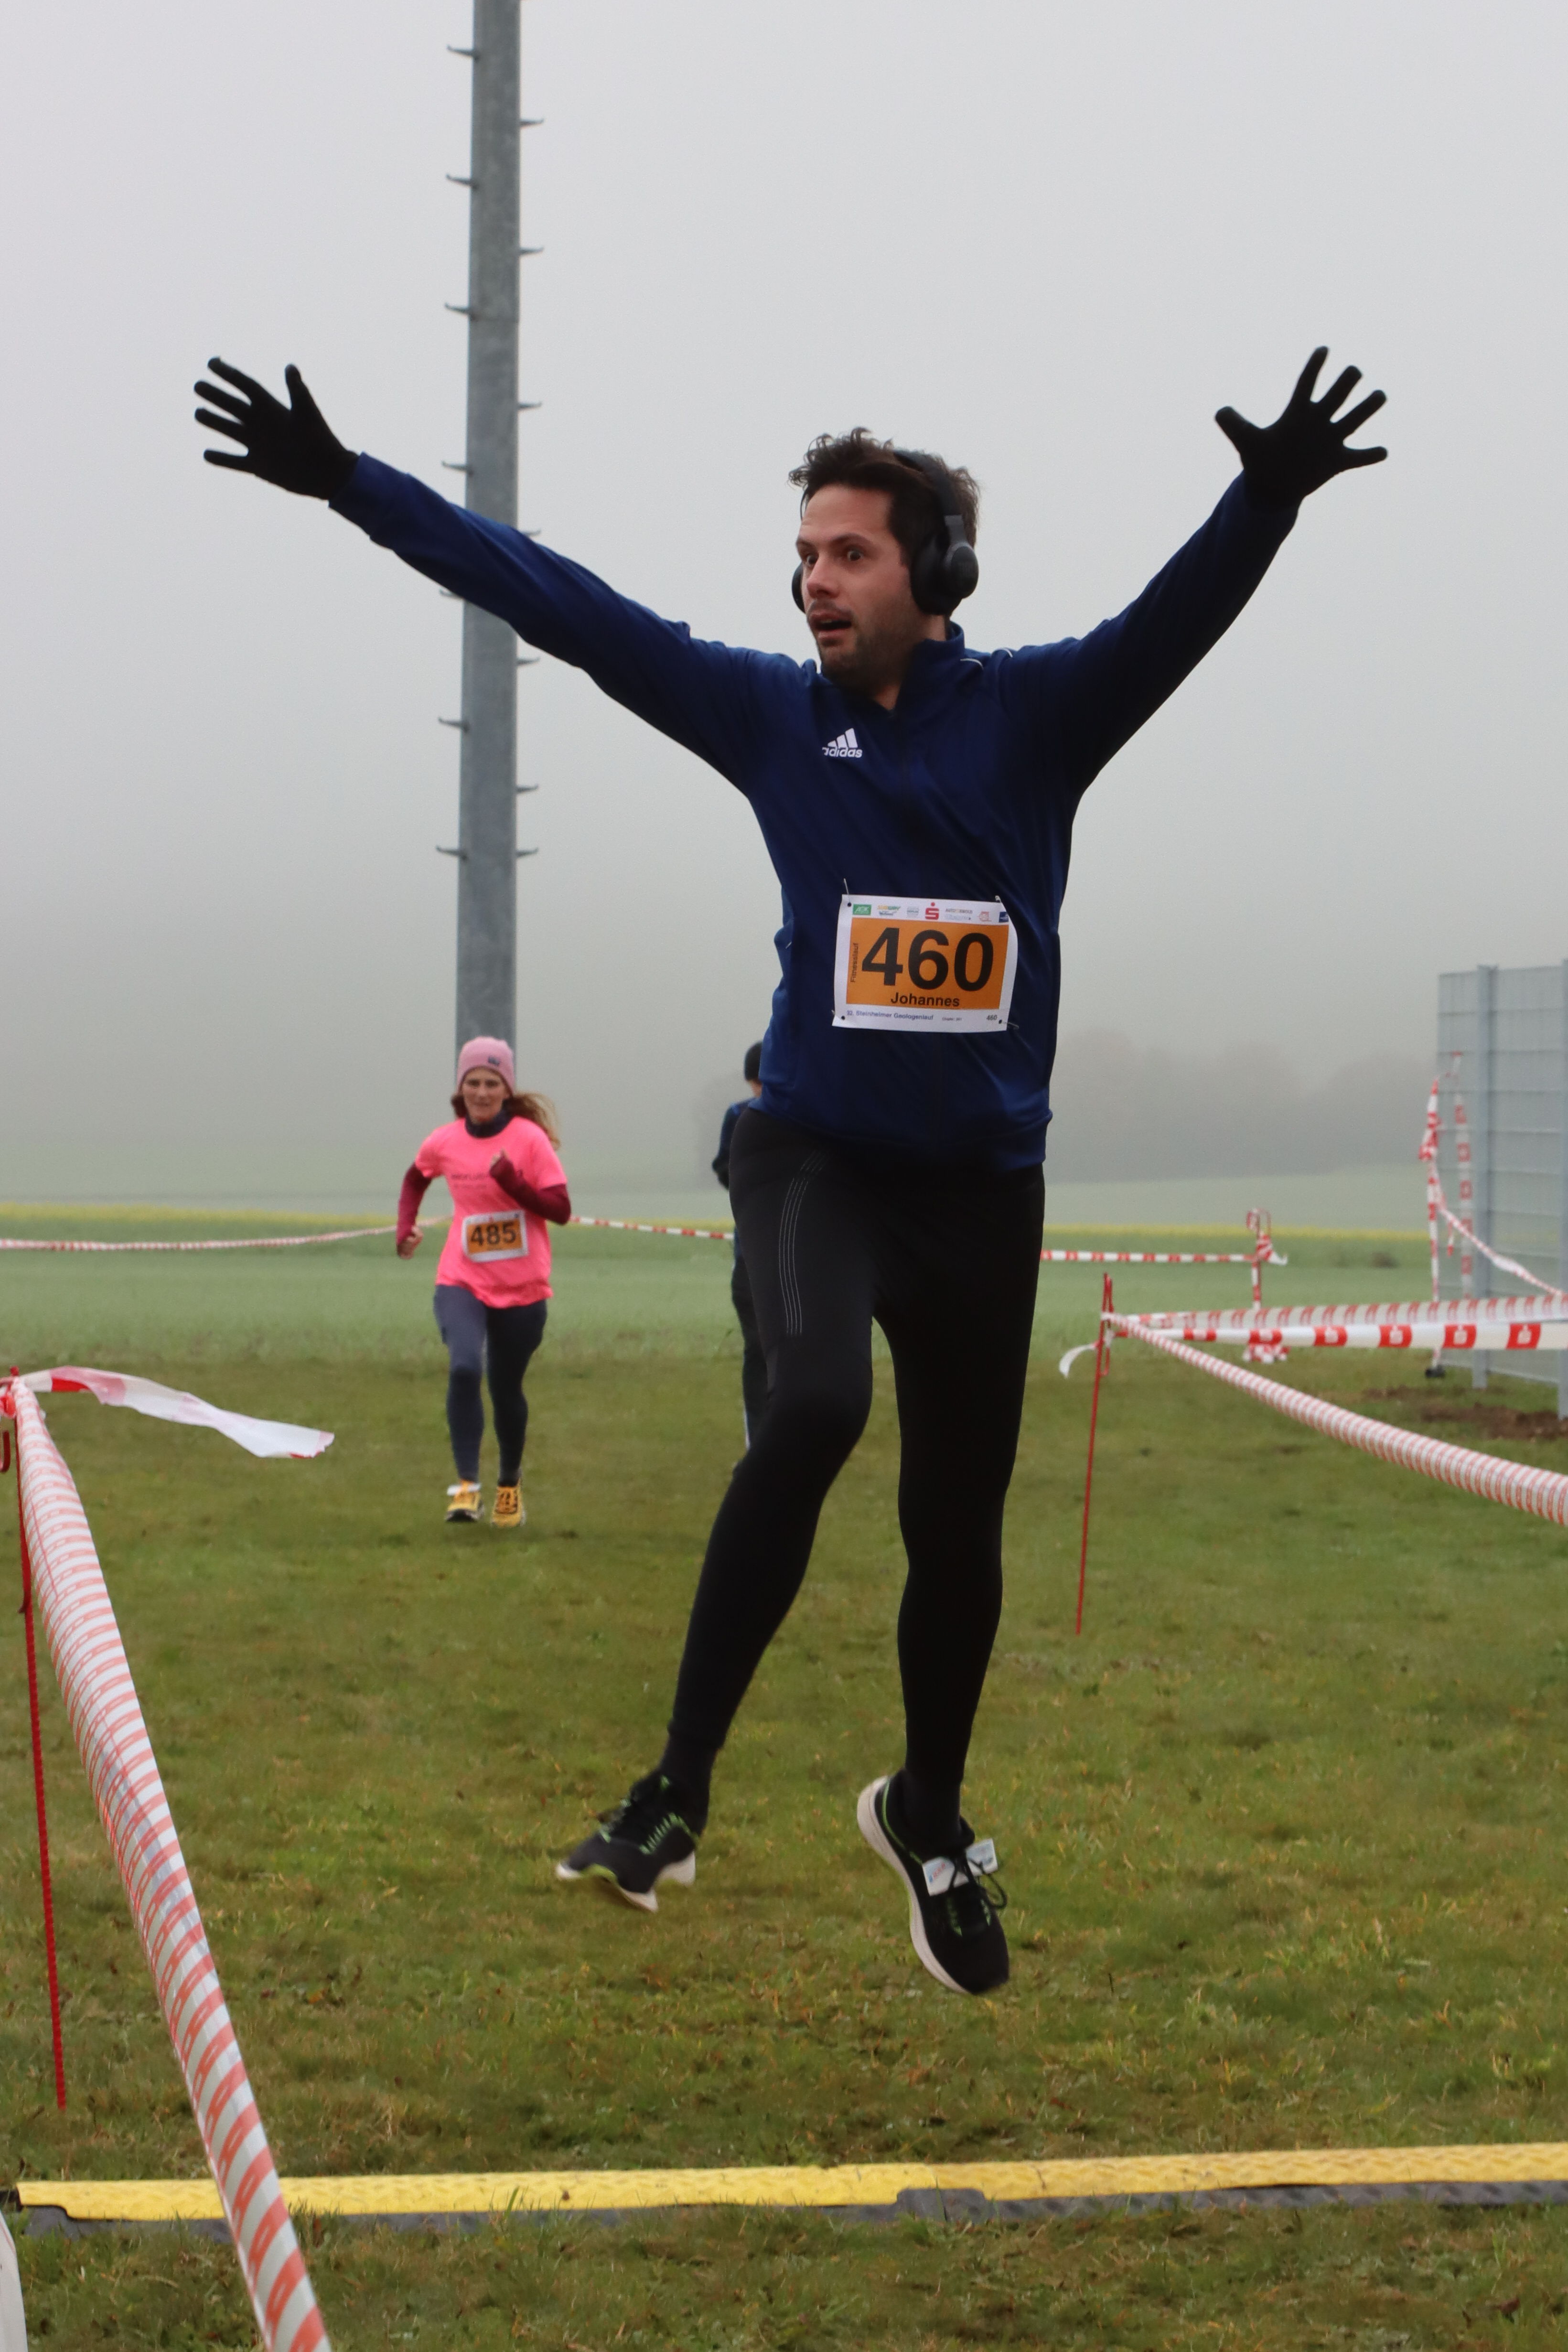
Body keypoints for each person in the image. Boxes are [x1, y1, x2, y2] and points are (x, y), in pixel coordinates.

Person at [195, 346, 1386, 1989]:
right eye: (804, 554)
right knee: (815, 1405)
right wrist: (349, 484)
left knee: (955, 1528)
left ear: (936, 573)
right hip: (813, 1158)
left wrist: (1263, 498)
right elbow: (561, 605)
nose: (814, 581)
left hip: (981, 1193)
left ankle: (928, 1814)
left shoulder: (1037, 720)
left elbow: (1173, 622)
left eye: (850, 553)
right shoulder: (771, 716)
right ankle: (673, 1791)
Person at [396, 1037, 571, 1527]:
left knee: (505, 1387)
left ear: (506, 1089)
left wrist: (514, 1184)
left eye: (492, 1083)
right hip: (462, 1279)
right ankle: (466, 1487)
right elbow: (416, 1177)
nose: (481, 1092)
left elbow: (560, 1210)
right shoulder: (445, 1141)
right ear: (461, 1088)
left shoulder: (529, 1140)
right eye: (473, 1082)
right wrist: (406, 1226)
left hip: (522, 1287)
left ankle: (509, 1484)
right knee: (464, 1368)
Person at [712, 1042, 767, 1447]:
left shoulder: (803, 1112)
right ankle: (759, 1444)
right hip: (750, 1254)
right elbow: (724, 1167)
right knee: (758, 1347)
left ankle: (780, 1438)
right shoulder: (739, 1114)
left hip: (786, 1255)